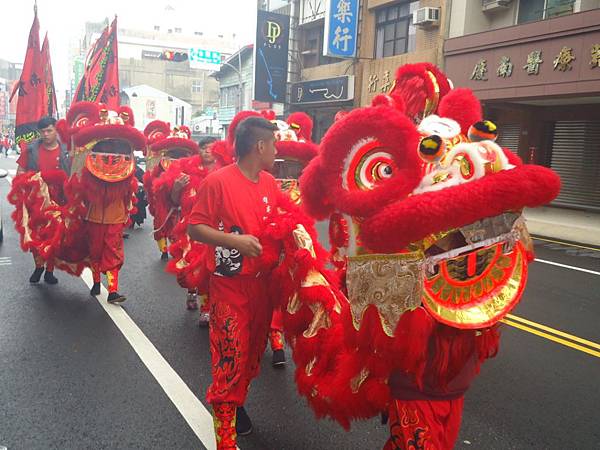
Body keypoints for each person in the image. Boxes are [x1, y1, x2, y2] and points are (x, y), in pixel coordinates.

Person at [187, 117, 281, 450]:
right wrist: (234, 241)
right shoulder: (218, 182)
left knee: (252, 355)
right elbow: (195, 228)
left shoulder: (271, 183)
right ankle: (224, 438)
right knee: (229, 355)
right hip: (229, 286)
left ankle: (236, 403)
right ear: (259, 146)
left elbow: (280, 226)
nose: (276, 148)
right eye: (273, 143)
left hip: (262, 287)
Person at [16, 116, 70, 284]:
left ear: (56, 131)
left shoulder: (66, 151)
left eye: (49, 131)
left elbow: (74, 174)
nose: (46, 134)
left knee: (55, 236)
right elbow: (20, 172)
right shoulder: (31, 150)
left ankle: (49, 270)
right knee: (36, 236)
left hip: (58, 200)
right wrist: (31, 180)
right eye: (43, 131)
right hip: (36, 200)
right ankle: (39, 266)